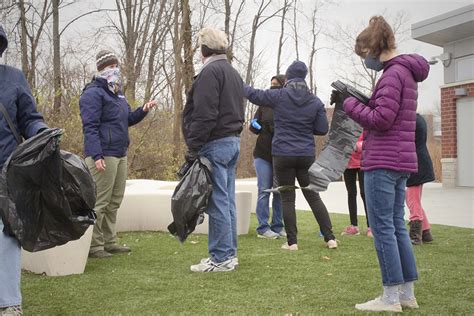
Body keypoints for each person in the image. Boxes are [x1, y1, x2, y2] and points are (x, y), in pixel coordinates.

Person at [343, 16, 429, 312]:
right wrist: (363, 100)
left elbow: (381, 119)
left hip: (383, 161)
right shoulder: (405, 72)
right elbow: (387, 112)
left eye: (364, 54)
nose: (364, 60)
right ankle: (406, 293)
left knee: (383, 228)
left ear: (374, 47)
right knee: (396, 227)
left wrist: (349, 104)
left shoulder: (392, 74)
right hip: (400, 160)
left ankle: (390, 297)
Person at [245, 60, 337, 251]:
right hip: (305, 155)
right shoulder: (315, 101)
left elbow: (254, 95)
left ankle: (292, 243)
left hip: (282, 154)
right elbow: (322, 129)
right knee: (313, 197)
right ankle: (330, 238)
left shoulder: (279, 96)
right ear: (304, 78)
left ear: (288, 77)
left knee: (288, 198)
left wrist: (236, 83)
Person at [79, 50, 156, 259]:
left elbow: (127, 119)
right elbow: (90, 127)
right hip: (103, 154)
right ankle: (95, 246)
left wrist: (143, 110)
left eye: (115, 65)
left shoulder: (117, 93)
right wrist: (96, 155)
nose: (114, 69)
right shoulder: (93, 93)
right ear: (102, 69)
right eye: (110, 66)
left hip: (120, 152)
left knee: (115, 201)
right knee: (100, 202)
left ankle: (109, 241)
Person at [182, 27, 244, 272]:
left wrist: (193, 147)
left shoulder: (210, 72)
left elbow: (205, 115)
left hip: (215, 143)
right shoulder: (232, 72)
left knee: (217, 201)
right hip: (232, 142)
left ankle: (221, 258)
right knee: (226, 200)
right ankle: (229, 254)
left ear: (204, 49)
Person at [0, 24, 48, 315]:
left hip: (7, 170)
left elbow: (30, 118)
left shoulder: (13, 78)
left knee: (7, 234)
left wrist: (42, 132)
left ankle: (9, 303)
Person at [249, 75, 285, 239]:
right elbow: (254, 127)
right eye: (271, 85)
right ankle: (263, 228)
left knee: (279, 191)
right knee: (264, 190)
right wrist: (254, 124)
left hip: (281, 155)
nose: (272, 88)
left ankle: (278, 226)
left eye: (276, 85)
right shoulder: (263, 104)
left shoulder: (286, 105)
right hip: (262, 154)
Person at [406, 113, 435, 245]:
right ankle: (426, 231)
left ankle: (415, 235)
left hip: (416, 164)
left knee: (412, 200)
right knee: (414, 199)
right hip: (420, 161)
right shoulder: (418, 118)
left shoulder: (411, 120)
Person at [340, 132, 371, 237]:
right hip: (348, 162)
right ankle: (354, 226)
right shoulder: (345, 124)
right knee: (351, 193)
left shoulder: (364, 122)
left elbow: (371, 140)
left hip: (364, 162)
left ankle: (370, 227)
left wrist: (358, 145)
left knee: (365, 193)